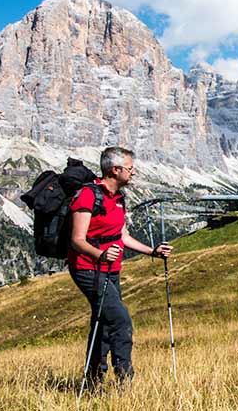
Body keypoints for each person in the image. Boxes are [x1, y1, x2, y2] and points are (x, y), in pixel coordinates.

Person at [68, 146, 173, 386]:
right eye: (130, 168)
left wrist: (152, 252)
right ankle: (125, 379)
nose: (133, 173)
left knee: (104, 323)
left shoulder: (118, 198)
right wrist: (100, 255)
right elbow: (77, 240)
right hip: (88, 269)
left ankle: (93, 381)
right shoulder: (88, 195)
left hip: (112, 269)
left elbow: (122, 236)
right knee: (120, 320)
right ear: (115, 170)